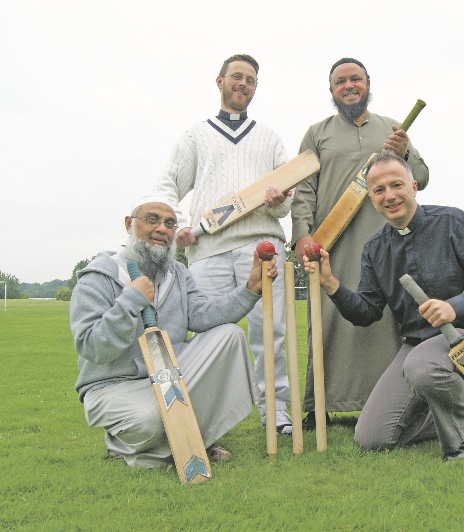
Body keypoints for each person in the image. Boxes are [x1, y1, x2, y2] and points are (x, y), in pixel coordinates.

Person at [303, 151, 464, 460]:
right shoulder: (375, 249)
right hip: (417, 348)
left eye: (396, 185)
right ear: (372, 199)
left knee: (421, 364)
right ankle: (449, 417)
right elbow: (367, 312)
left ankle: (461, 434)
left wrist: (454, 307)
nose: (389, 195)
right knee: (371, 437)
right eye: (379, 190)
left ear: (414, 186)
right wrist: (331, 284)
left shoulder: (454, 222)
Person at [70, 195, 276, 467]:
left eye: (170, 224)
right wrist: (130, 301)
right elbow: (93, 348)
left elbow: (203, 315)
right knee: (150, 421)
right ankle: (123, 443)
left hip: (169, 375)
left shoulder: (177, 274)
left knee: (230, 336)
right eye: (152, 220)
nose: (162, 229)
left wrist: (250, 289)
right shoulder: (97, 278)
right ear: (129, 224)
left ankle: (195, 437)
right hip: (113, 385)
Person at [154, 54, 295, 434]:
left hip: (261, 244)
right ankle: (204, 416)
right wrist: (180, 224)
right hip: (207, 248)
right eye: (237, 76)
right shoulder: (195, 136)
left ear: (255, 87)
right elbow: (167, 186)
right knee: (208, 335)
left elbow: (289, 199)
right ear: (219, 82)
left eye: (250, 79)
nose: (243, 84)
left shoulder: (268, 137)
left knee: (271, 331)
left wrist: (280, 199)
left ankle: (276, 413)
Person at [291, 57, 430, 424]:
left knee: (389, 322)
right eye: (341, 81)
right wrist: (303, 235)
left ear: (368, 83)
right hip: (333, 242)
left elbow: (421, 178)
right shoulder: (316, 133)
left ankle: (395, 403)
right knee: (331, 318)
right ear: (332, 90)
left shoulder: (393, 130)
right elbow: (304, 190)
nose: (349, 85)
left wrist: (405, 151)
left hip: (388, 242)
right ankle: (322, 404)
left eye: (356, 79)